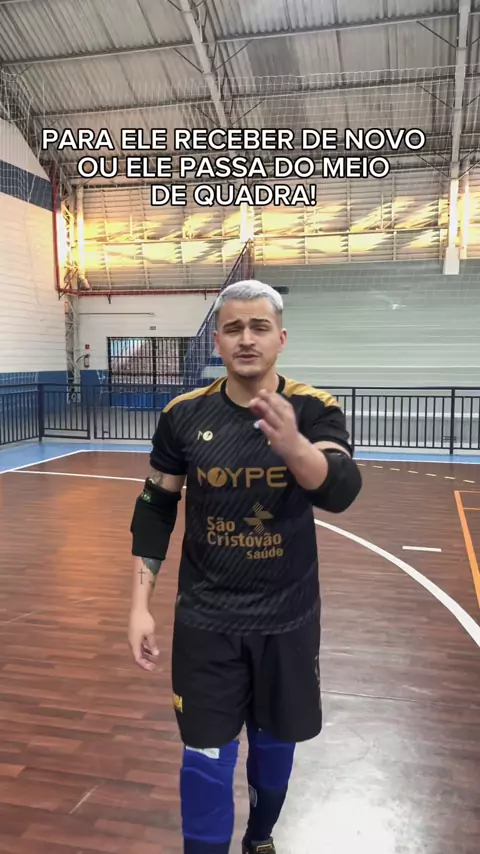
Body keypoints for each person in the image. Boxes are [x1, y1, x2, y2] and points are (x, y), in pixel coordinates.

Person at [128, 279, 362, 854]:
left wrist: (294, 446)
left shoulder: (313, 408)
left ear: (281, 338)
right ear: (217, 341)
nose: (246, 339)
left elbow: (340, 490)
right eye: (233, 328)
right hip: (207, 622)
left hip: (287, 620)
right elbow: (156, 506)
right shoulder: (184, 414)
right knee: (205, 762)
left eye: (259, 327)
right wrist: (139, 606)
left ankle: (260, 836)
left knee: (275, 750)